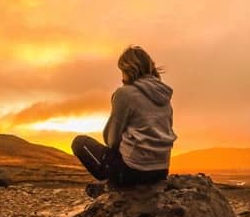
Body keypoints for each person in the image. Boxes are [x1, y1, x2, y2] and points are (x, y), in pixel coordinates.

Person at [72, 45, 176, 195]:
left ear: (130, 70)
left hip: (132, 172)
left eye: (122, 72)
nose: (122, 77)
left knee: (79, 142)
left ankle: (113, 185)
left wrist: (114, 102)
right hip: (161, 171)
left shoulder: (124, 94)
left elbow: (111, 141)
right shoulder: (164, 95)